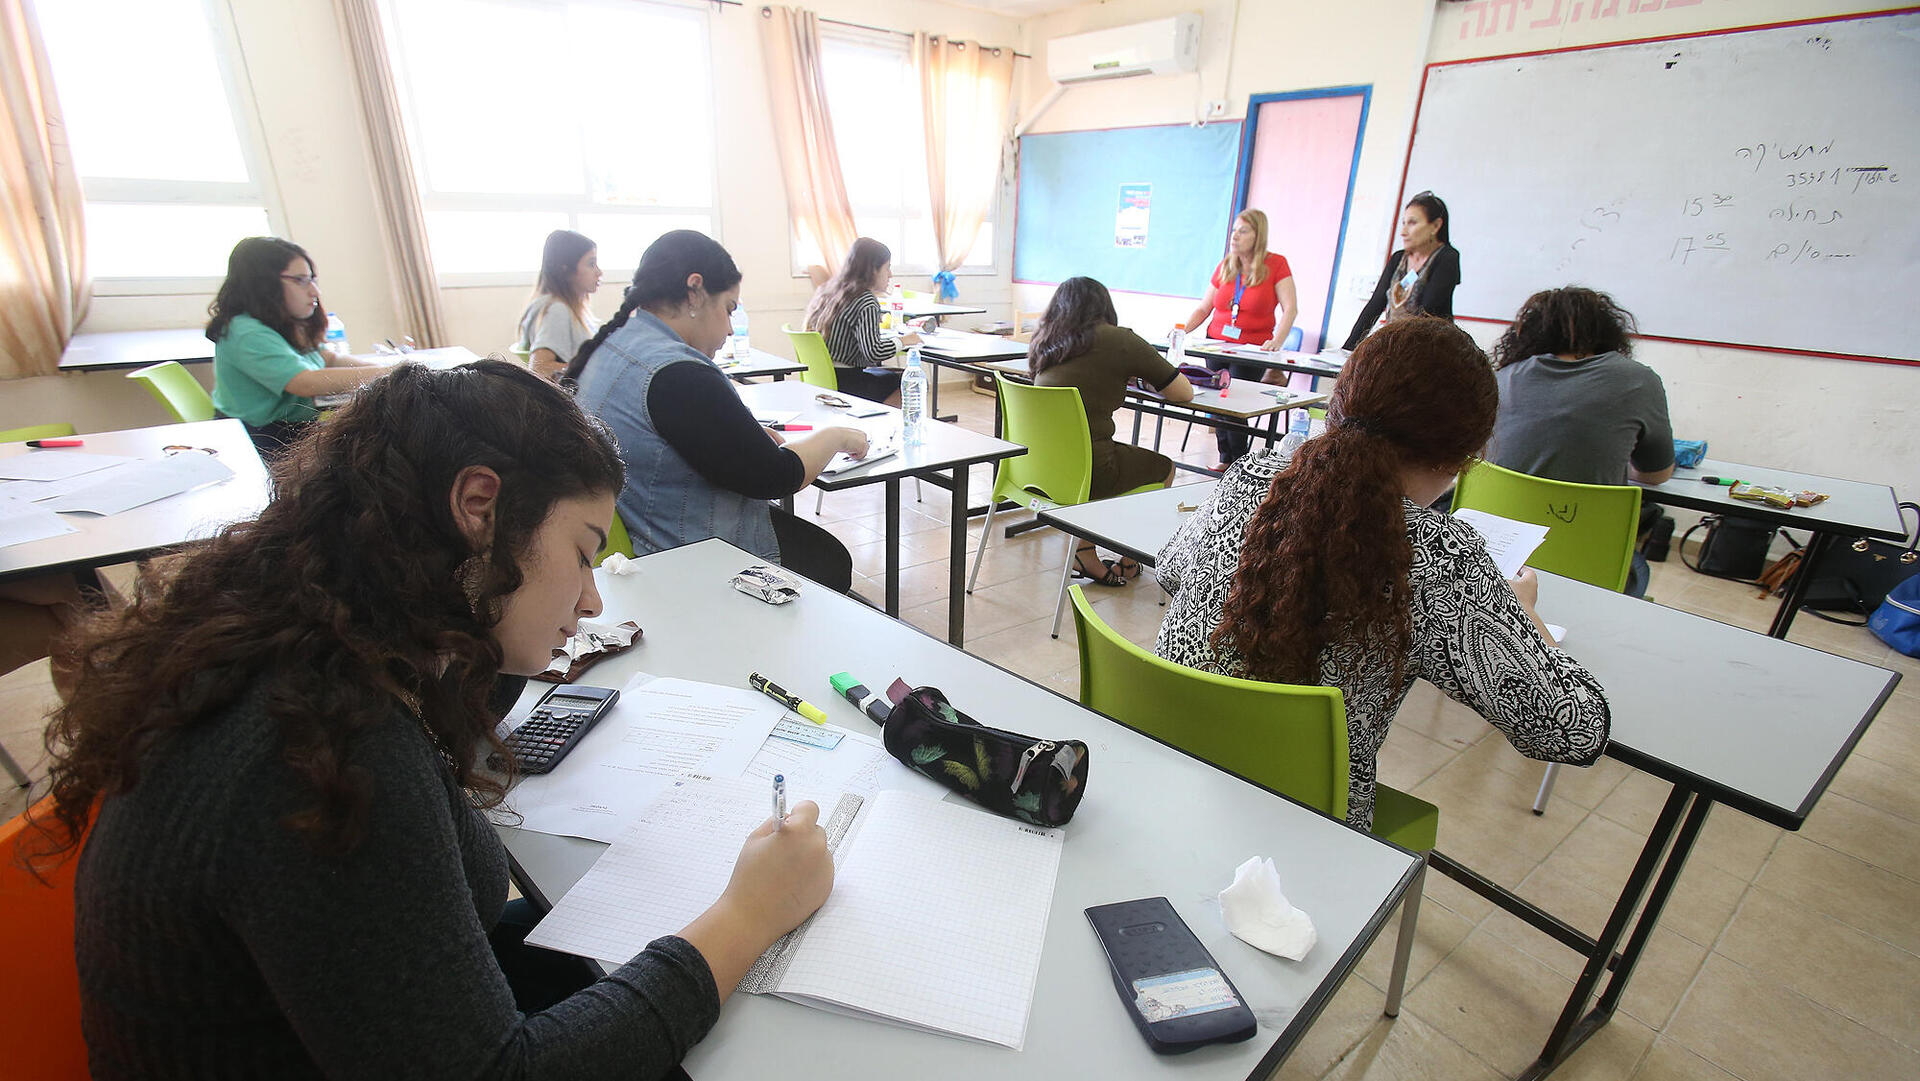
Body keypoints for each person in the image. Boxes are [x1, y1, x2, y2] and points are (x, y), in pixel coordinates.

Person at [32, 360, 835, 1079]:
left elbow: (451, 911)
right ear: (480, 506)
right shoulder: (323, 753)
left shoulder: (328, 648)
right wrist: (743, 916)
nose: (592, 599)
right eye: (585, 551)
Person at [1154, 318, 1610, 832]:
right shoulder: (1438, 558)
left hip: (1164, 769)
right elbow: (1572, 729)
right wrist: (1527, 620)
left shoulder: (1251, 478)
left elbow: (1170, 570)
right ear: (1462, 456)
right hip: (1301, 823)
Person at [568, 230, 869, 591]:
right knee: (830, 560)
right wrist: (836, 435)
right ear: (695, 290)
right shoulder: (677, 374)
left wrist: (746, 437)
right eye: (728, 308)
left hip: (638, 531)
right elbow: (777, 475)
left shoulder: (617, 345)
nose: (729, 328)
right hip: (684, 552)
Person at [1488, 286, 1675, 597]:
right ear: (1609, 331)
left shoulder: (1502, 378)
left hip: (1498, 555)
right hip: (1589, 560)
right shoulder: (1639, 381)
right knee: (1639, 565)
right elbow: (1658, 474)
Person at [1028, 276, 1195, 586]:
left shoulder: (1046, 340)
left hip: (1040, 468)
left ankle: (1085, 552)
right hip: (1092, 470)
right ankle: (1130, 560)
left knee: (1096, 451)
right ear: (1105, 307)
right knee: (1164, 468)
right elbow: (1183, 393)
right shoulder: (1120, 340)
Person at [206, 237, 388, 457]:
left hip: (290, 428)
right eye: (300, 280)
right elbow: (305, 382)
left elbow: (327, 358)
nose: (314, 291)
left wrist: (379, 369)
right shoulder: (246, 331)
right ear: (263, 283)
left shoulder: (281, 322)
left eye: (312, 280)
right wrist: (388, 373)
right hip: (262, 439)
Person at [1177, 208, 1298, 470]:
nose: (1235, 236)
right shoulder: (1226, 266)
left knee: (1232, 401)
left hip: (1250, 350)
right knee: (1215, 399)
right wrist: (1182, 330)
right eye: (1234, 230)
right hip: (1217, 344)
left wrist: (1277, 340)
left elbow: (1290, 308)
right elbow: (1204, 308)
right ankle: (1225, 459)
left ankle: (1240, 462)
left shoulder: (1276, 264)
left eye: (1243, 231)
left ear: (1258, 235)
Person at [1342, 191, 1461, 350]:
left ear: (1436, 226)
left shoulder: (1447, 258)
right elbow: (1375, 305)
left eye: (1412, 223)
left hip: (1430, 350)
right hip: (1396, 348)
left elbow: (1427, 313)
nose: (1403, 232)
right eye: (1403, 223)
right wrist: (1347, 350)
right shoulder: (1398, 258)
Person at [802, 237, 912, 406]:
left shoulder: (828, 290)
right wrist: (904, 341)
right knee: (909, 380)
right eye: (887, 267)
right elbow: (873, 352)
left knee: (891, 375)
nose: (890, 274)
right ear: (873, 270)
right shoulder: (866, 300)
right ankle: (880, 424)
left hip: (821, 377)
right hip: (847, 381)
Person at [517, 230, 603, 382]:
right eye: (591, 264)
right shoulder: (557, 310)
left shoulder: (557, 305)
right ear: (565, 268)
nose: (599, 272)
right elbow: (539, 367)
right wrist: (593, 369)